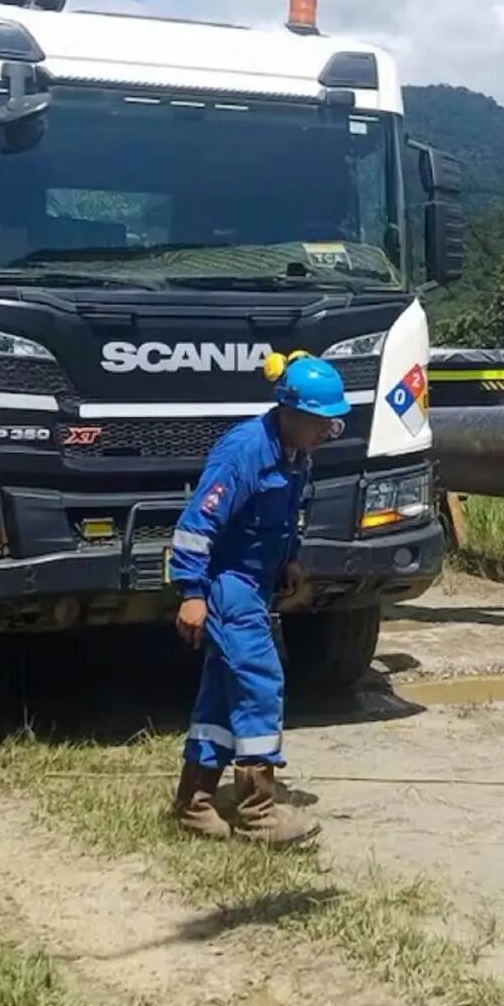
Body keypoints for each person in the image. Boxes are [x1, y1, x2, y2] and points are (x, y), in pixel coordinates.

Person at [168, 353, 349, 845]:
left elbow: (282, 517)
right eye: (320, 423)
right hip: (229, 586)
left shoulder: (295, 456)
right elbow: (195, 525)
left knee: (223, 696)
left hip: (257, 581)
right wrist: (191, 593)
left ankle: (195, 802)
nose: (327, 432)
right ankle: (257, 813)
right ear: (291, 412)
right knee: (259, 684)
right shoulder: (245, 452)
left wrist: (289, 558)